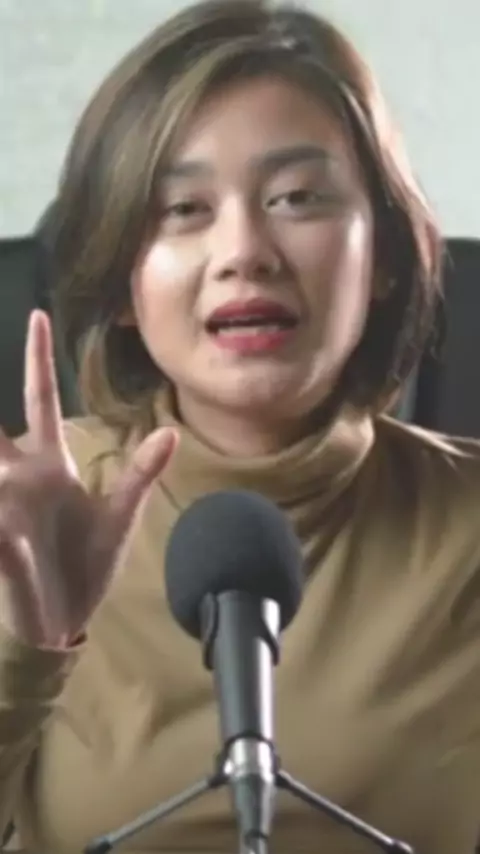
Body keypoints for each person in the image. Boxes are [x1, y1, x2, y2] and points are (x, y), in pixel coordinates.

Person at [0, 1, 479, 852]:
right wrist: (29, 651)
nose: (245, 251)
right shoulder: (23, 518)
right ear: (120, 282)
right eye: (183, 209)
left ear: (383, 255)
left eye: (296, 197)